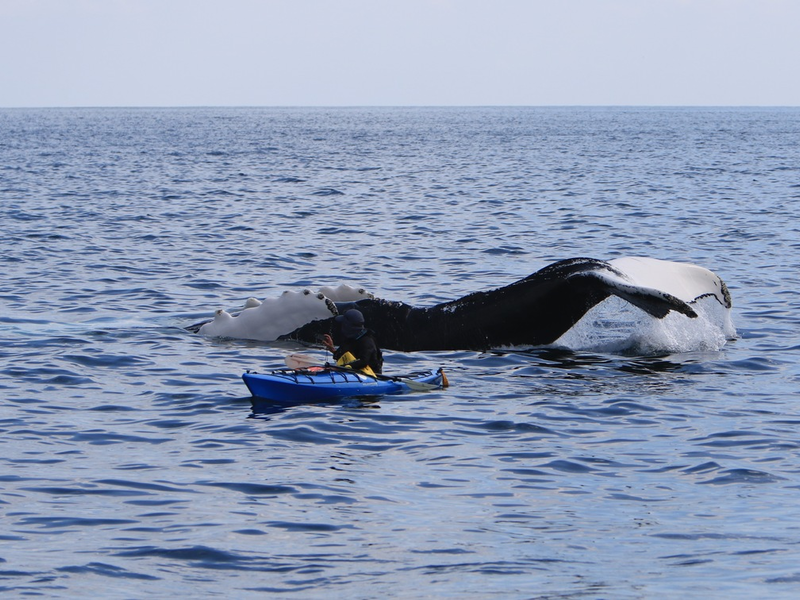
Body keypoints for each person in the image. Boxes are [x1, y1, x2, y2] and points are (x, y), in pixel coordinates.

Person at [322, 309, 383, 375]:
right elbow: (342, 357)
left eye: (343, 323)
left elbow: (364, 361)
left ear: (347, 325)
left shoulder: (367, 341)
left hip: (370, 375)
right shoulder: (350, 339)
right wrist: (332, 349)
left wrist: (344, 367)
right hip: (351, 373)